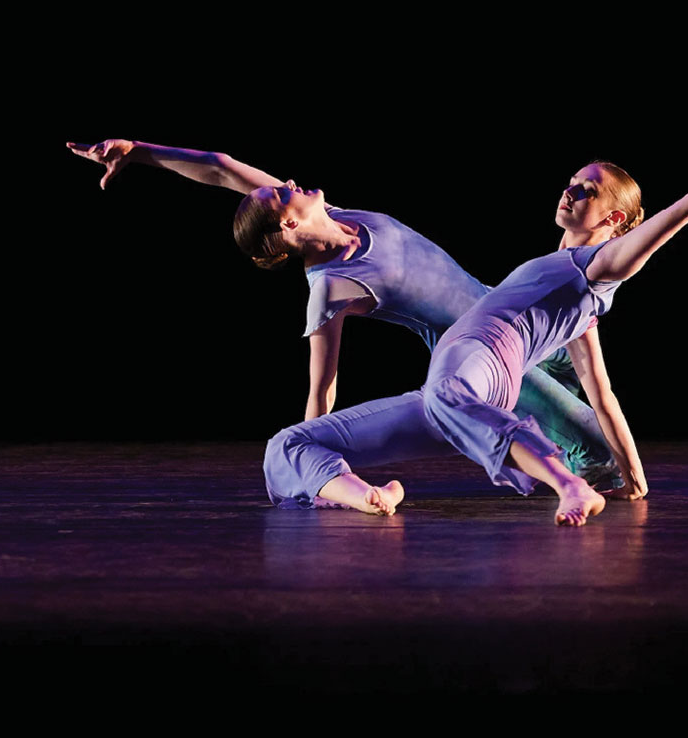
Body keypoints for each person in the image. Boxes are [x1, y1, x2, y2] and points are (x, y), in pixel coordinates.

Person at [263, 104, 688, 524]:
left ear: (620, 222)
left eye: (589, 189)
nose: (572, 190)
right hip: (461, 395)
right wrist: (636, 479)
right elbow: (603, 394)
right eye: (573, 181)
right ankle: (369, 497)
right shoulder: (573, 291)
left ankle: (567, 485)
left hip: (470, 369)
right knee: (287, 444)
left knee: (447, 394)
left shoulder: (599, 266)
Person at [66, 138, 618, 490]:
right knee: (596, 452)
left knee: (597, 359)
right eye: (281, 195)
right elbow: (322, 383)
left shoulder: (334, 213)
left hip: (521, 310)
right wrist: (312, 450)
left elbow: (219, 168)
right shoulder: (331, 287)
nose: (284, 182)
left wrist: (136, 151)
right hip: (487, 358)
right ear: (287, 228)